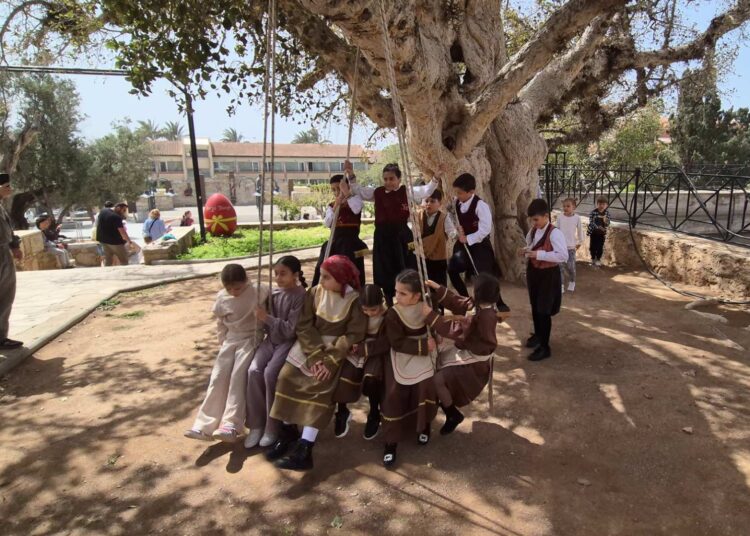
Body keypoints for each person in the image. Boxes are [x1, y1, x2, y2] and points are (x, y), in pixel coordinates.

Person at [268, 255, 367, 471]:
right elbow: (304, 325)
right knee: (285, 378)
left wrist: (329, 361)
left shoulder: (354, 300)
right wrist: (314, 355)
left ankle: (305, 448)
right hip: (309, 345)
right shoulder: (314, 293)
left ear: (341, 279)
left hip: (336, 350)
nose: (320, 280)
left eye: (326, 277)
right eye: (321, 275)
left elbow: (354, 334)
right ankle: (288, 432)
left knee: (320, 385)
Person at [184, 264, 270, 443]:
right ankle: (204, 425)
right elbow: (220, 323)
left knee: (238, 377)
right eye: (229, 288)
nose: (233, 292)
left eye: (237, 288)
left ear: (246, 280)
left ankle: (231, 424)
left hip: (250, 338)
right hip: (231, 340)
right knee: (218, 377)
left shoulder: (258, 290)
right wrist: (222, 341)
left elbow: (275, 294)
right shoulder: (222, 297)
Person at [349, 162, 439, 304]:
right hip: (383, 237)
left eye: (391, 179)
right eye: (385, 179)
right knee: (385, 267)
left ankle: (410, 295)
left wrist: (436, 178)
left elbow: (426, 190)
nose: (388, 182)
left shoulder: (406, 192)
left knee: (407, 263)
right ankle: (389, 298)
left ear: (399, 179)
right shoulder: (377, 192)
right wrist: (351, 175)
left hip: (402, 235)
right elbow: (359, 190)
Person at [422, 274, 499, 435]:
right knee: (438, 375)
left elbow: (458, 329)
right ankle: (451, 412)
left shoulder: (485, 317)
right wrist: (438, 288)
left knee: (438, 380)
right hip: (469, 353)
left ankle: (452, 414)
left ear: (479, 294)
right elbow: (460, 302)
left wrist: (431, 316)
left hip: (474, 364)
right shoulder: (483, 306)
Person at [244, 256, 307, 449]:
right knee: (253, 371)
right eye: (276, 274)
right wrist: (261, 316)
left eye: (283, 274)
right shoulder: (273, 293)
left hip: (287, 343)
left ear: (295, 275)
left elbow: (290, 330)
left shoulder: (300, 296)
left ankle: (273, 427)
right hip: (270, 340)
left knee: (270, 374)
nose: (278, 278)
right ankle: (256, 424)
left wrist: (267, 318)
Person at [381, 269, 438, 468]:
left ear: (416, 296)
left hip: (424, 353)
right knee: (394, 391)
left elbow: (436, 323)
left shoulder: (426, 306)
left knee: (426, 385)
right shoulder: (393, 313)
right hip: (403, 354)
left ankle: (424, 425)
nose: (396, 296)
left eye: (402, 293)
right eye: (396, 291)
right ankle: (391, 441)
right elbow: (396, 342)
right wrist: (422, 346)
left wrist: (435, 337)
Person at [447, 173, 510, 315]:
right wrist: (456, 229)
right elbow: (451, 216)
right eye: (456, 192)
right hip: (463, 245)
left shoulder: (481, 206)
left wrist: (468, 238)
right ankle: (466, 299)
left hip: (479, 244)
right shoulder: (456, 203)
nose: (457, 195)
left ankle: (498, 301)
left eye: (460, 193)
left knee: (484, 275)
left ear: (471, 192)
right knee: (452, 269)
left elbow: (485, 229)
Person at [331, 284, 389, 440]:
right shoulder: (357, 312)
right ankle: (342, 411)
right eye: (365, 310)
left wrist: (365, 348)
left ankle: (374, 413)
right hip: (357, 347)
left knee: (371, 379)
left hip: (376, 351)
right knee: (343, 373)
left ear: (381, 303)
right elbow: (350, 331)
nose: (369, 313)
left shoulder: (389, 315)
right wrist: (352, 344)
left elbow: (387, 341)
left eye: (373, 310)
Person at [522, 199, 568, 361]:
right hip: (534, 272)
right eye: (532, 220)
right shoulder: (533, 231)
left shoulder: (555, 233)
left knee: (544, 310)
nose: (533, 223)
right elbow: (532, 246)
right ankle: (538, 335)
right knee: (535, 306)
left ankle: (544, 347)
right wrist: (526, 251)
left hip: (548, 275)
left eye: (536, 219)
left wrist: (539, 254)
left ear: (546, 216)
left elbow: (562, 255)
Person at [312, 173, 367, 287]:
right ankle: (320, 289)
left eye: (339, 188)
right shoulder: (331, 206)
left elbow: (357, 209)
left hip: (351, 243)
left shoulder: (355, 200)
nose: (337, 192)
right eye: (334, 189)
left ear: (346, 187)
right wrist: (335, 206)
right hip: (335, 242)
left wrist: (346, 193)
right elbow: (327, 223)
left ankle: (353, 291)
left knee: (351, 268)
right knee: (322, 265)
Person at [0, 173, 23, 350]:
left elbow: (7, 228)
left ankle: (1, 336)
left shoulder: (1, 206)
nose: (10, 189)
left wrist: (14, 245)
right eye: (6, 186)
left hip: (3, 251)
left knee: (6, 294)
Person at [417, 190, 457, 287]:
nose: (428, 204)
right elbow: (412, 237)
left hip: (438, 258)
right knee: (424, 287)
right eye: (426, 201)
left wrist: (458, 235)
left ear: (440, 203)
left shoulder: (444, 218)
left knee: (440, 287)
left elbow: (451, 232)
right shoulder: (417, 216)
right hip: (422, 258)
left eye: (432, 201)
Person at [557, 198, 585, 292]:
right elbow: (557, 230)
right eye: (564, 206)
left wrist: (579, 242)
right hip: (560, 247)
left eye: (568, 206)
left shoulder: (577, 218)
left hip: (571, 247)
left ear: (574, 207)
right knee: (560, 267)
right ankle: (561, 285)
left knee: (571, 267)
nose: (565, 208)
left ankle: (572, 282)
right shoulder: (560, 217)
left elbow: (580, 231)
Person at [96, 202, 132, 266]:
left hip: (103, 240)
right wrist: (129, 241)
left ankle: (107, 271)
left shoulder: (103, 211)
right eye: (123, 210)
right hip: (114, 242)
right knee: (124, 260)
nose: (123, 212)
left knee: (108, 260)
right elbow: (122, 232)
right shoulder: (116, 217)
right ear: (118, 208)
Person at [587, 196, 611, 267]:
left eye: (603, 204)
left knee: (600, 247)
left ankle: (598, 259)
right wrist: (598, 227)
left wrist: (605, 221)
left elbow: (608, 223)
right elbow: (591, 222)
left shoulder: (607, 213)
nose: (601, 206)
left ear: (606, 205)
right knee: (592, 246)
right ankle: (593, 258)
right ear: (597, 204)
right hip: (593, 232)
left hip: (601, 234)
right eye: (600, 204)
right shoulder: (593, 212)